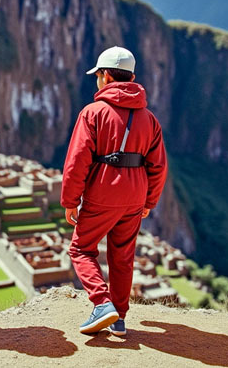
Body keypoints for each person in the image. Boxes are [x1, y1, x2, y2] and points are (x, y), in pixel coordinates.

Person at [61, 46, 168, 336]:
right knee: (122, 257)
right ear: (131, 77)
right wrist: (150, 200)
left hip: (102, 193)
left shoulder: (93, 113)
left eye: (98, 75)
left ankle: (101, 303)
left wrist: (70, 200)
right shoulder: (150, 119)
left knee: (81, 249)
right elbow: (158, 166)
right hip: (134, 196)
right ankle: (119, 319)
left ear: (106, 76)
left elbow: (77, 161)